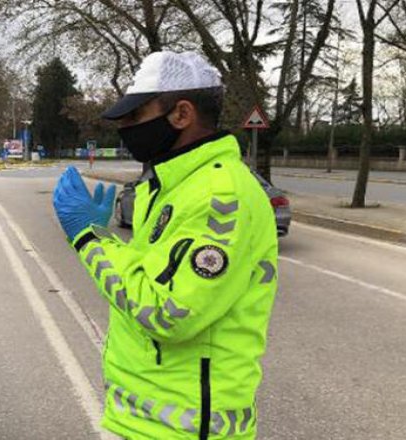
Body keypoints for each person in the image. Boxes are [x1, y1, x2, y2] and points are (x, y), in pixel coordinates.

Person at [52, 51, 278, 439]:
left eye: (136, 116)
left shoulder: (220, 197)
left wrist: (89, 239)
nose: (124, 127)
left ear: (182, 114)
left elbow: (167, 313)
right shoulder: (172, 184)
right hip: (145, 420)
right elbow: (146, 277)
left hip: (183, 429)